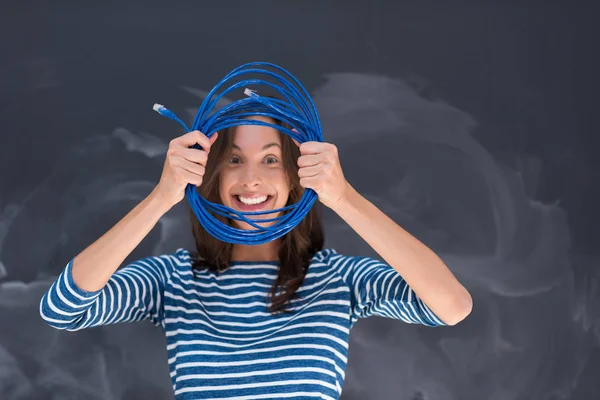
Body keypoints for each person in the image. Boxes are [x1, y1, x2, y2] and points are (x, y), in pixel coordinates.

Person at [40, 114, 472, 399]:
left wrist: (344, 197)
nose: (251, 179)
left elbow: (452, 306)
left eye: (270, 159)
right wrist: (160, 197)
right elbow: (62, 308)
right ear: (211, 174)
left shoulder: (338, 278)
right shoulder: (172, 280)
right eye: (233, 159)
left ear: (294, 175)